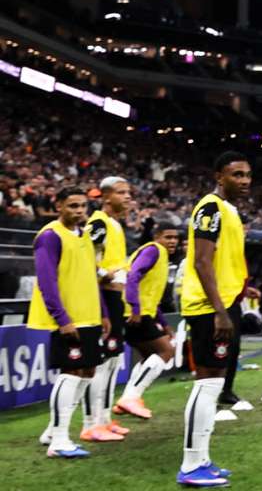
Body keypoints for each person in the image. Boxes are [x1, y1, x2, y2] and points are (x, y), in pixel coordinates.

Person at [176, 151, 254, 487]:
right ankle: (191, 464)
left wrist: (241, 291)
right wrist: (221, 311)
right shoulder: (210, 208)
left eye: (248, 174)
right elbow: (202, 263)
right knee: (207, 381)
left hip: (223, 304)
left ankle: (202, 459)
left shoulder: (231, 211)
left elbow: (222, 262)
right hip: (210, 309)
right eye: (236, 174)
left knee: (214, 382)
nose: (244, 181)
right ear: (219, 176)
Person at [30, 188, 107, 458]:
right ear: (58, 205)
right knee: (71, 372)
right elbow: (46, 281)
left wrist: (104, 313)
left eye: (82, 206)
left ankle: (53, 429)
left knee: (88, 372)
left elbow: (91, 277)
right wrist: (62, 318)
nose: (78, 211)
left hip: (90, 317)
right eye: (72, 205)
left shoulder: (84, 235)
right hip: (69, 318)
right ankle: (60, 440)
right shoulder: (50, 236)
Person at [82, 176, 132, 442]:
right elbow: (86, 259)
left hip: (115, 298)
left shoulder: (115, 224)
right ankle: (90, 423)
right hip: (102, 297)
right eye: (121, 192)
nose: (128, 197)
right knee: (101, 364)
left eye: (128, 192)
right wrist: (105, 274)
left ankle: (103, 418)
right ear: (106, 196)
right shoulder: (99, 222)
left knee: (113, 362)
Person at [113, 222, 180, 419]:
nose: (173, 241)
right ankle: (131, 397)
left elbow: (151, 294)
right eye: (168, 237)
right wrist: (135, 307)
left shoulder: (160, 256)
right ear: (157, 236)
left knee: (147, 356)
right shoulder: (153, 250)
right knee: (166, 350)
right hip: (134, 313)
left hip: (139, 312)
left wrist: (165, 324)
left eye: (175, 238)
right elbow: (133, 276)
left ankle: (127, 399)